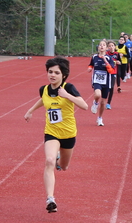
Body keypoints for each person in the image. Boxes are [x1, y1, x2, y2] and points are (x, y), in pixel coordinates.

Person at [24, 56, 88, 213]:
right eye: (50, 72)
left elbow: (84, 106)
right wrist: (30, 110)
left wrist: (67, 95)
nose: (52, 75)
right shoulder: (44, 89)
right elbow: (43, 100)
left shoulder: (69, 88)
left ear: (63, 75)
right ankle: (50, 198)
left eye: (56, 73)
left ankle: (61, 159)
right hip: (52, 133)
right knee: (49, 161)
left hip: (68, 134)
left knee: (63, 167)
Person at [87, 40, 114, 126]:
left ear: (106, 48)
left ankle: (100, 118)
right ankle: (95, 103)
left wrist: (106, 62)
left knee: (103, 102)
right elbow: (91, 64)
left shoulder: (109, 59)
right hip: (96, 80)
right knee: (97, 94)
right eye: (100, 45)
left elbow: (112, 71)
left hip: (106, 82)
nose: (102, 46)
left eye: (104, 45)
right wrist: (90, 68)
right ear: (98, 47)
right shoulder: (94, 57)